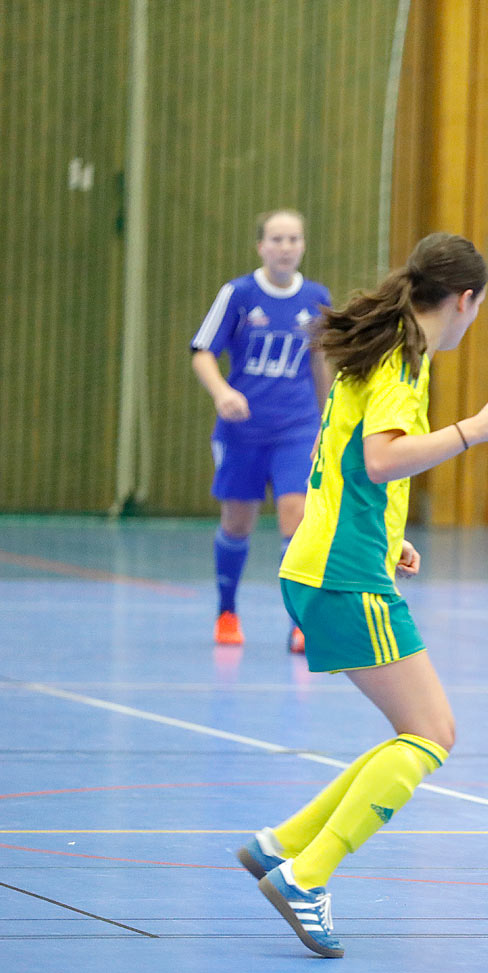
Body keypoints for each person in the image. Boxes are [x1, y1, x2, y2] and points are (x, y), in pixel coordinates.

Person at [234, 233, 488, 957]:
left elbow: (339, 455)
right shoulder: (402, 360)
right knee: (433, 735)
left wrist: (386, 532)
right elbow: (378, 456)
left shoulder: (387, 350)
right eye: (478, 309)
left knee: (413, 732)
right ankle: (307, 875)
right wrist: (474, 430)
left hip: (325, 562)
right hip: (341, 576)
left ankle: (286, 845)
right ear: (464, 301)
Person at [190, 209, 332, 651]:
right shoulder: (238, 294)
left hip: (297, 427)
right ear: (261, 247)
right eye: (277, 239)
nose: (285, 247)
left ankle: (301, 622)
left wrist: (328, 421)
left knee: (297, 520)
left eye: (293, 239)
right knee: (238, 523)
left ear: (303, 245)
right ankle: (227, 612)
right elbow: (202, 352)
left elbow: (322, 362)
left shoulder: (316, 299)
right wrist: (221, 393)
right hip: (244, 430)